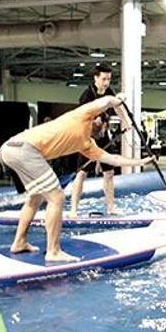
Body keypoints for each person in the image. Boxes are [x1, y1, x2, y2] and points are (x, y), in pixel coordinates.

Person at [0, 94, 152, 263]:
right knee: (56, 197)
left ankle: (19, 242)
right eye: (103, 127)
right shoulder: (83, 114)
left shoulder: (87, 145)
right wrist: (118, 100)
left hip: (10, 150)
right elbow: (108, 100)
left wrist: (141, 161)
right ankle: (53, 251)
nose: (102, 132)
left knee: (35, 197)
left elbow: (113, 159)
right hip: (24, 149)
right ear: (98, 120)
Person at [70, 63, 118, 217]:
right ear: (96, 78)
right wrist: (93, 122)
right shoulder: (87, 95)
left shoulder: (110, 92)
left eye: (109, 79)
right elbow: (80, 118)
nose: (106, 83)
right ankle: (73, 210)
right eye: (104, 79)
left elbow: (115, 107)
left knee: (109, 173)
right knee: (82, 173)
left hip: (103, 137)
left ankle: (111, 208)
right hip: (87, 139)